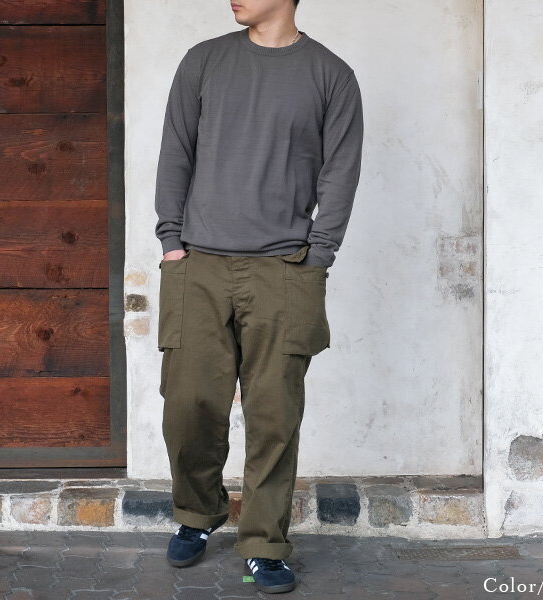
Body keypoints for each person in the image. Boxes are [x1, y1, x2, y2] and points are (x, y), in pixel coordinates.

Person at [154, 0, 363, 593]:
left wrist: (318, 255)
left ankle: (265, 543)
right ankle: (197, 513)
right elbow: (176, 150)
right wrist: (172, 242)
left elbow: (340, 171)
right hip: (199, 264)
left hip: (284, 270)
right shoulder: (203, 61)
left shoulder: (331, 75)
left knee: (275, 414)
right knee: (188, 404)